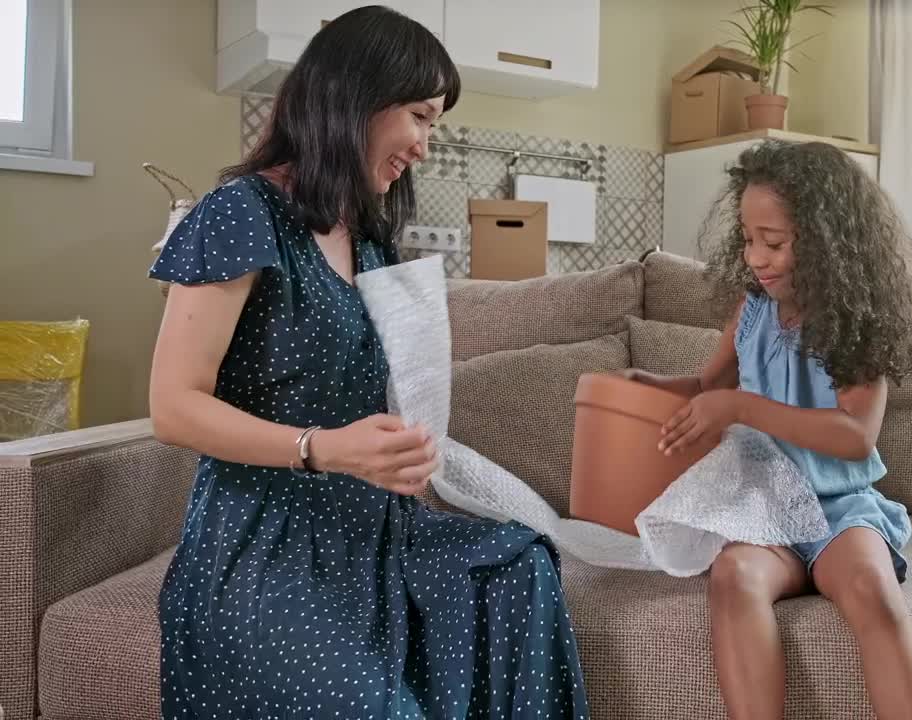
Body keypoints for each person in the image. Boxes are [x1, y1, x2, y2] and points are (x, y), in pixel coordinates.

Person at [147, 7, 589, 718]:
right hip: (263, 542)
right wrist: (323, 450)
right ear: (356, 96)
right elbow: (172, 407)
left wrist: (401, 452)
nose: (424, 145)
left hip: (372, 528)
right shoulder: (242, 213)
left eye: (434, 123)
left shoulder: (371, 241)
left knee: (519, 564)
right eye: (419, 115)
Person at [622, 140, 912, 719]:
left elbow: (855, 435)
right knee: (734, 573)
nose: (756, 258)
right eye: (748, 240)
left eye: (773, 243)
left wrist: (741, 406)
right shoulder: (752, 310)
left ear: (823, 244)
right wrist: (641, 385)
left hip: (841, 511)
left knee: (873, 590)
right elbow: (703, 386)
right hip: (765, 508)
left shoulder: (854, 322)